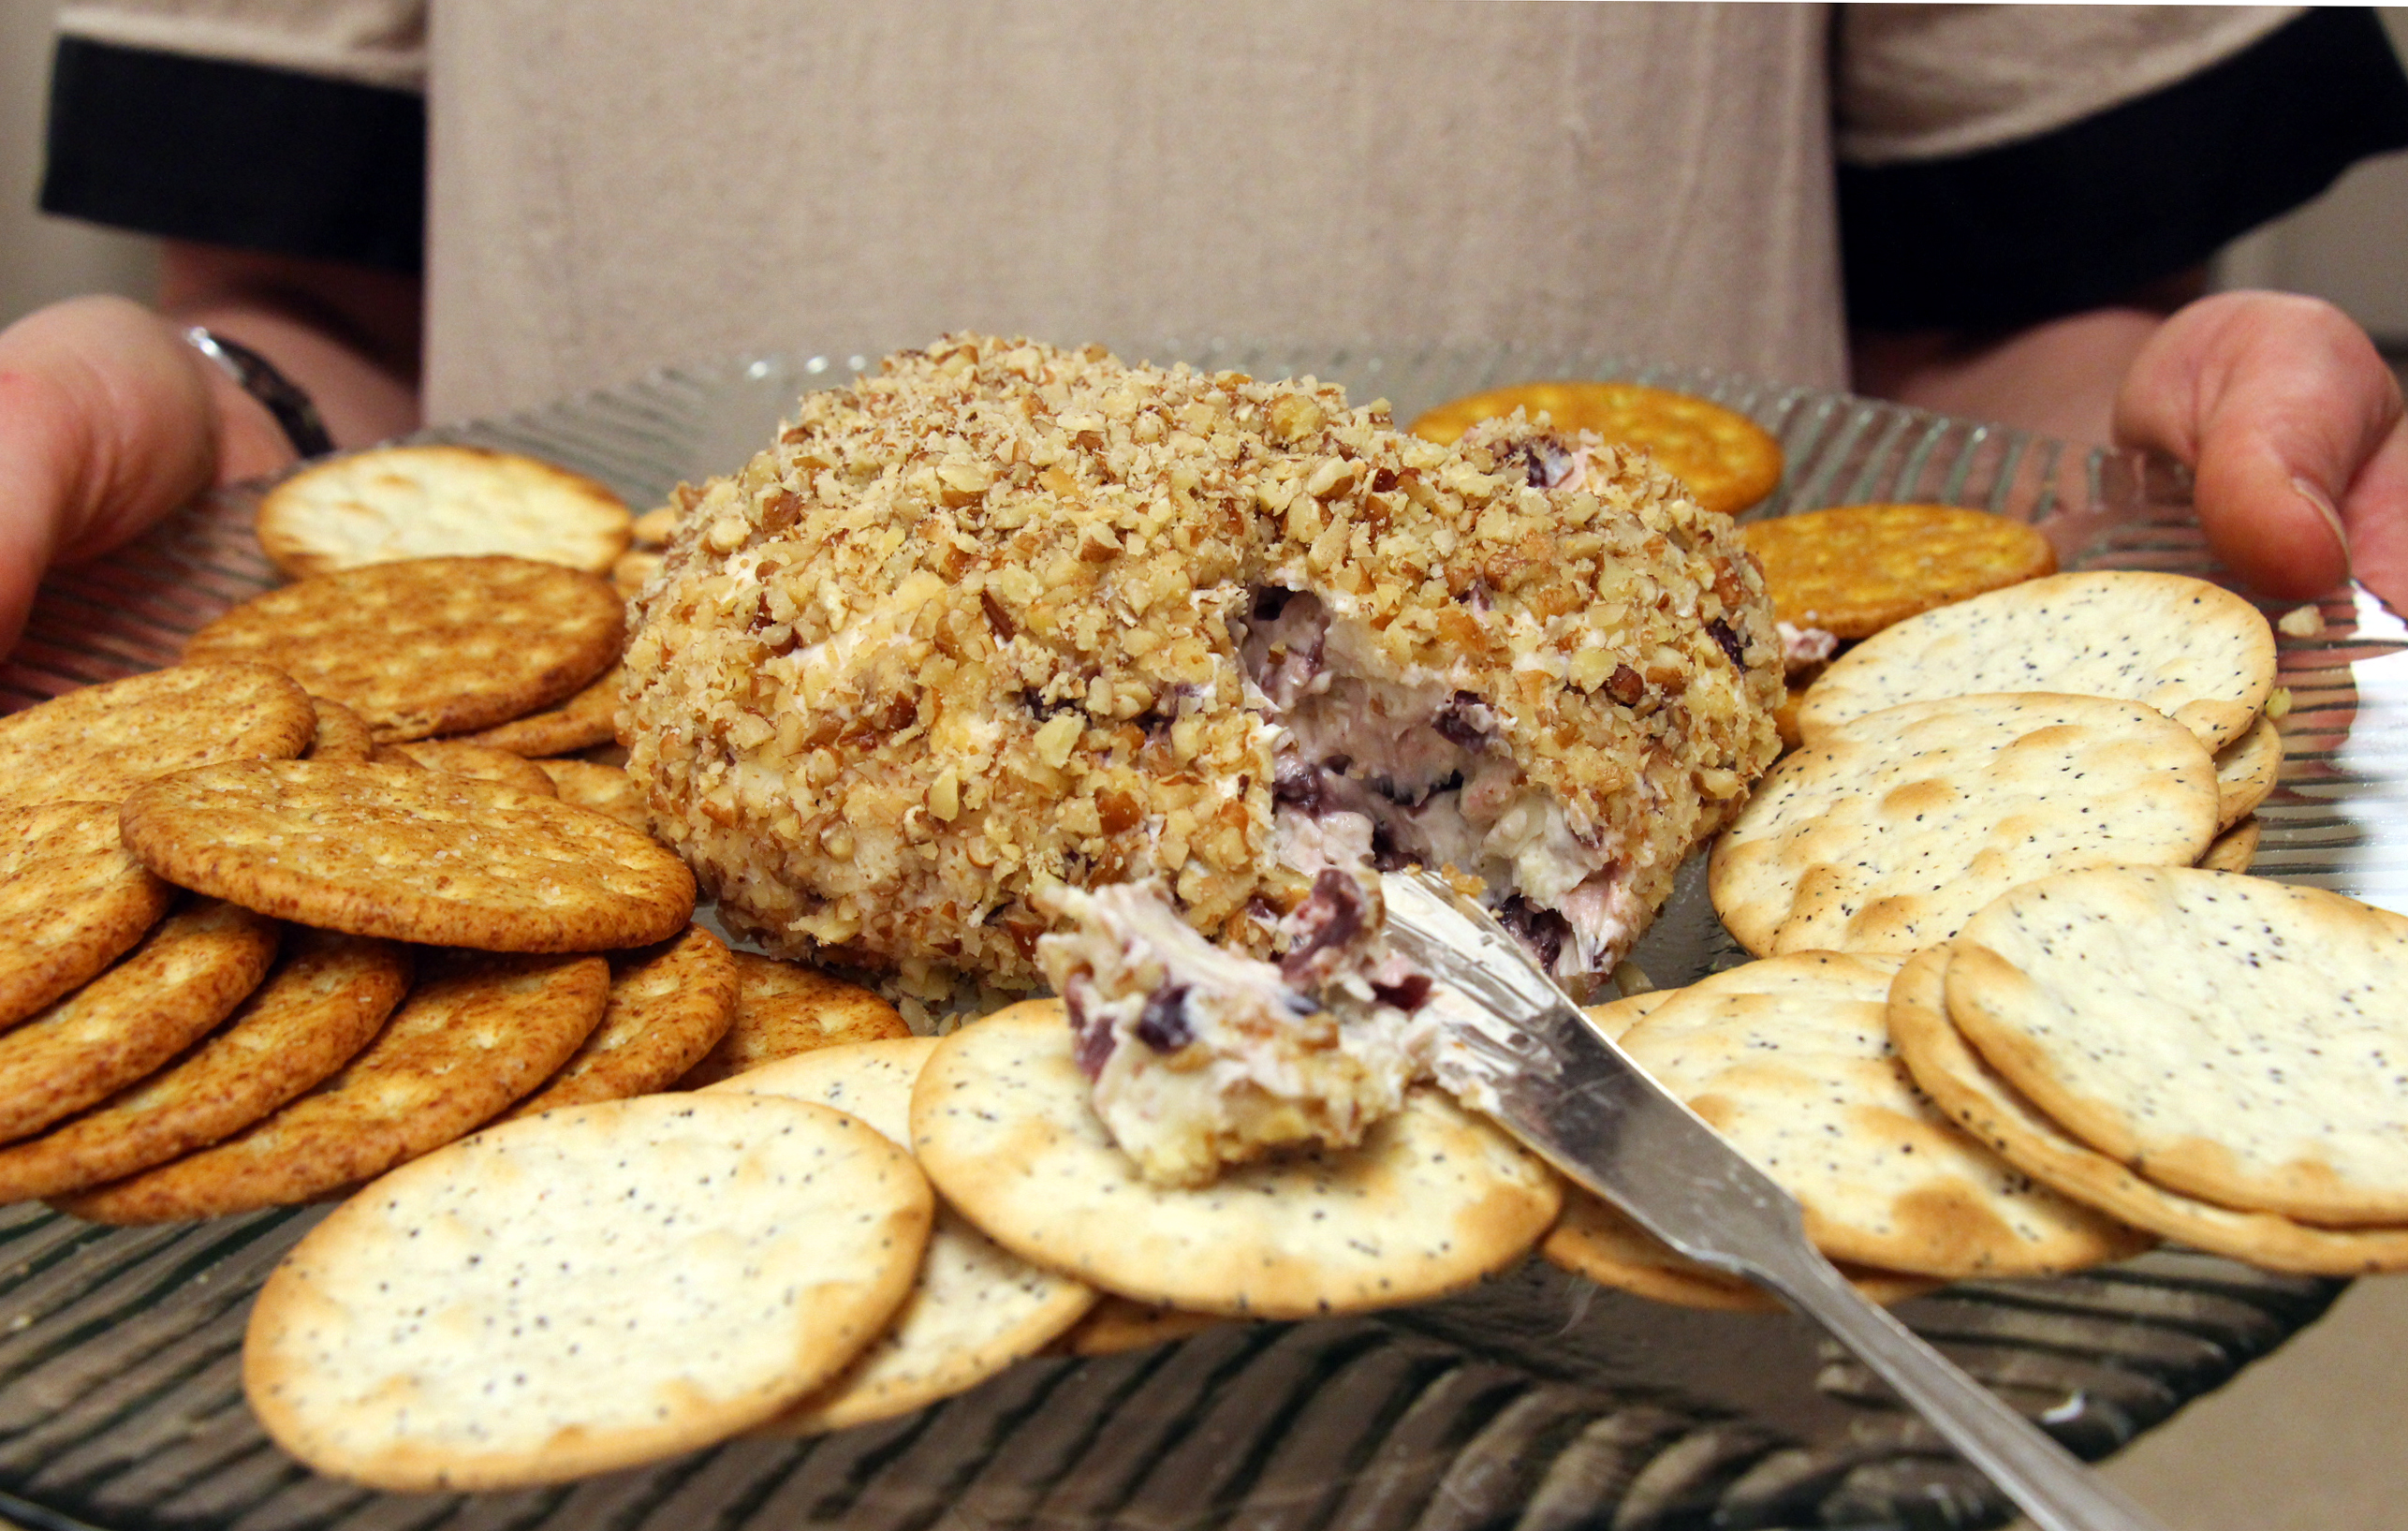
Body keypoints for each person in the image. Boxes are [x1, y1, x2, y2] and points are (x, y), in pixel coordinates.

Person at [3, 1, 2405, 665]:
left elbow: (1961, 351)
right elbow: (320, 336)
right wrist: (190, 425)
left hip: (1634, 1281)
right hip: (608, 1290)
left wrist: (2158, 474)